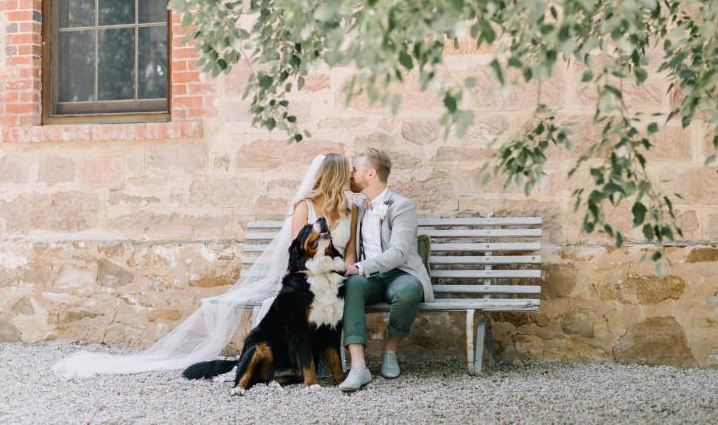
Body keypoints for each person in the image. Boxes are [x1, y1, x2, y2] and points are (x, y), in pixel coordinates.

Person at [52, 153, 357, 378]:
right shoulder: (305, 207)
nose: (352, 176)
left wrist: (345, 271)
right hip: (308, 279)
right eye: (348, 171)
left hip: (336, 279)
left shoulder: (349, 208)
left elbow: (351, 254)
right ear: (336, 175)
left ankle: (329, 368)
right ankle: (283, 367)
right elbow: (297, 254)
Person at [339, 148, 433, 392]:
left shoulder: (402, 206)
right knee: (352, 286)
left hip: (400, 273)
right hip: (367, 278)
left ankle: (390, 349)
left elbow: (399, 253)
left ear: (370, 174)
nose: (350, 175)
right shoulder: (357, 207)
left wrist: (359, 267)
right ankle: (358, 366)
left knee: (409, 290)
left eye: (355, 170)